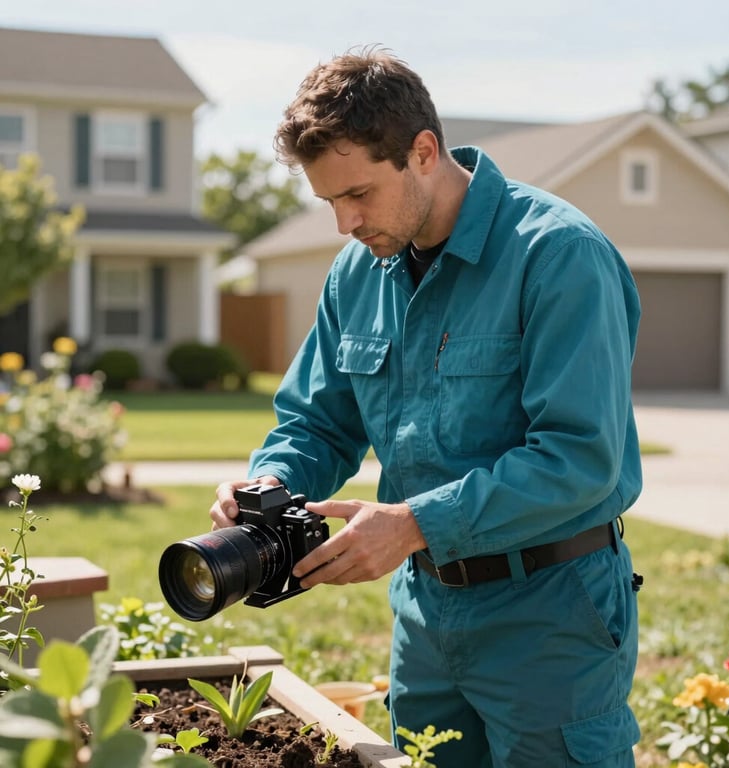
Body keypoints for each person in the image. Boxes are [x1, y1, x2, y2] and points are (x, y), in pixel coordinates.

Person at [211, 46, 643, 767]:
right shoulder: (358, 272)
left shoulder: (557, 254)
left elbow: (579, 458)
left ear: (422, 151)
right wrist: (269, 483)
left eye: (358, 196)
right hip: (426, 616)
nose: (344, 224)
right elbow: (318, 422)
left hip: (550, 613)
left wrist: (414, 524)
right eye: (328, 203)